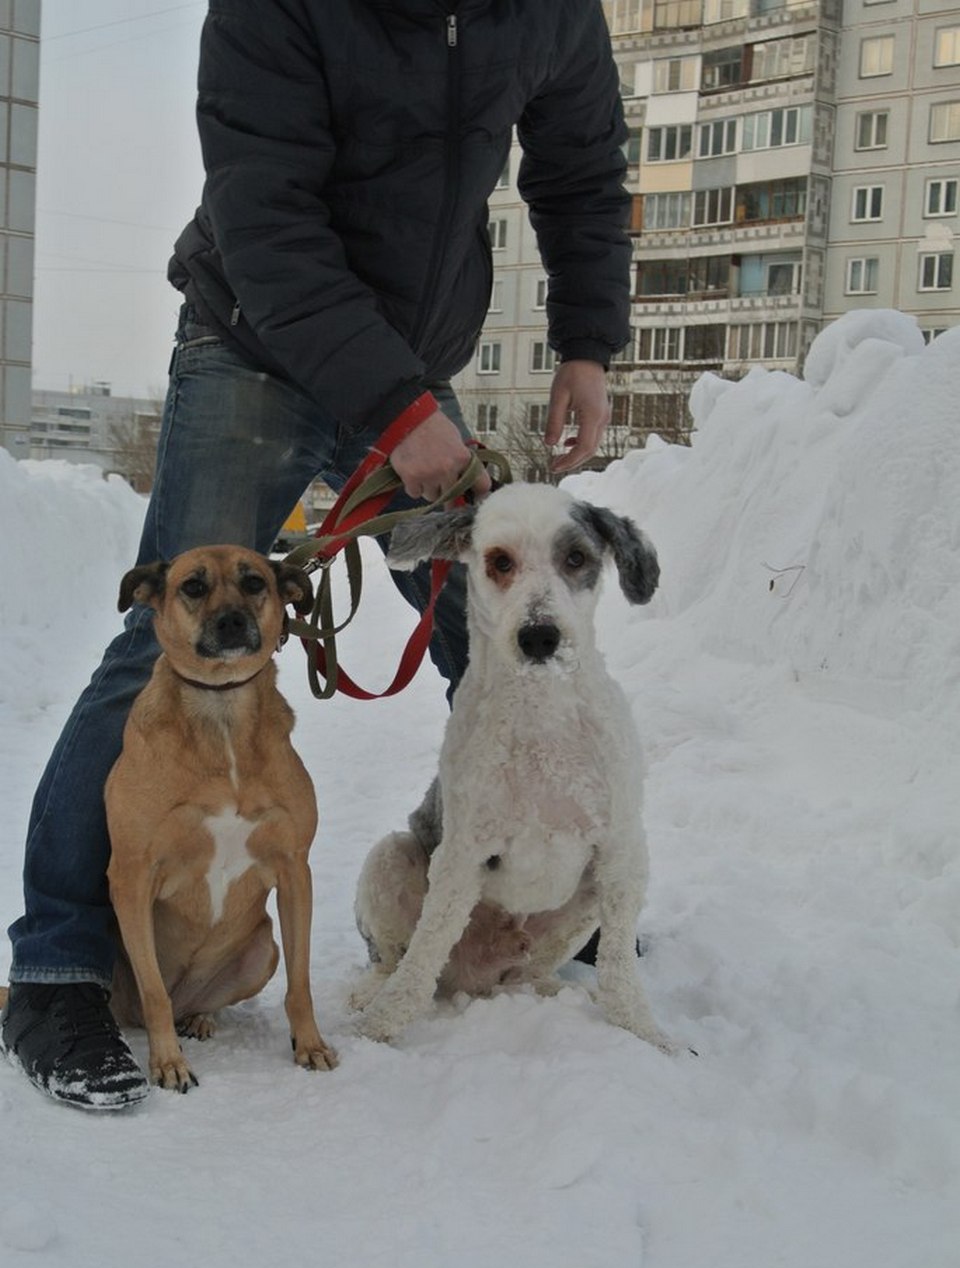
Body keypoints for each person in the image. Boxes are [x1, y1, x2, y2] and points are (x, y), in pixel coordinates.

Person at [1, 0, 632, 1108]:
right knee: (157, 649)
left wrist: (586, 338)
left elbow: (579, 160)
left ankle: (553, 900)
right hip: (255, 342)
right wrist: (397, 411)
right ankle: (55, 967)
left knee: (485, 633)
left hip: (411, 352)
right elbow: (268, 215)